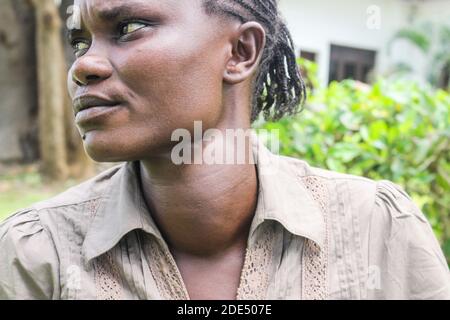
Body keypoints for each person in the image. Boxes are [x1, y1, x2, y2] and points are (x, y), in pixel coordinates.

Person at [0, 0, 449, 300]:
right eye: (79, 42)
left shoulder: (378, 229)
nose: (83, 66)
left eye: (129, 27)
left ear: (240, 51)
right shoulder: (38, 254)